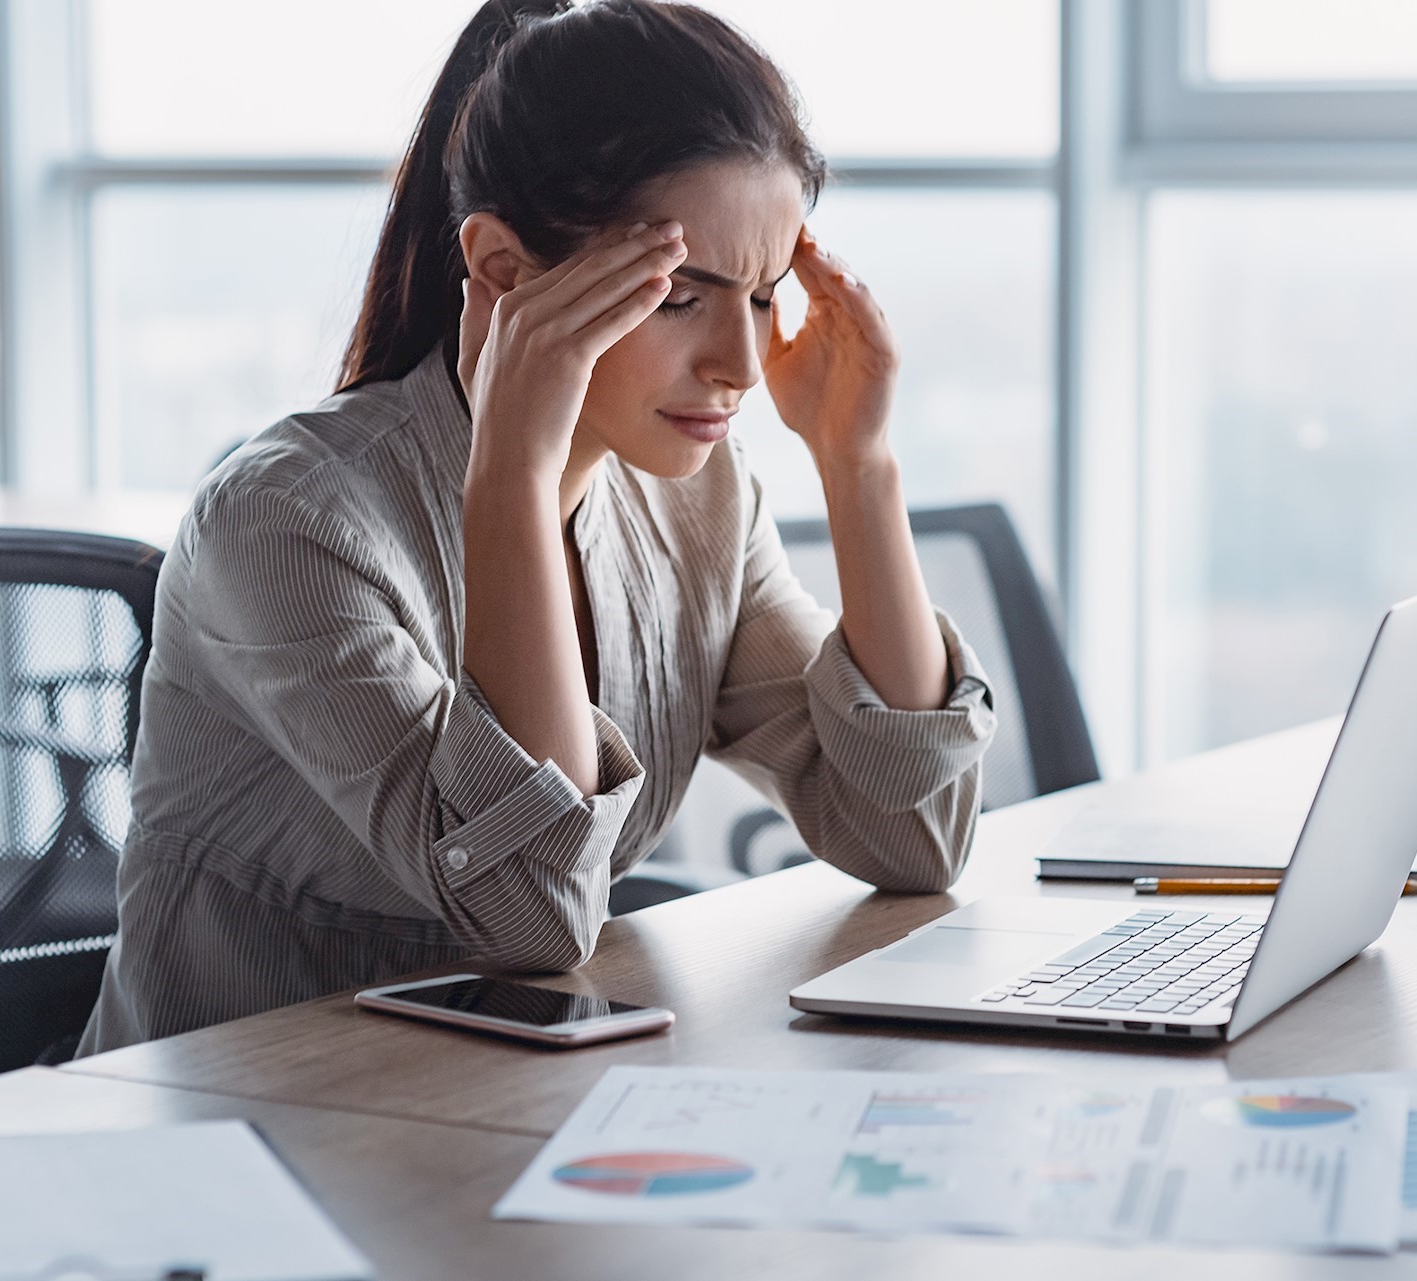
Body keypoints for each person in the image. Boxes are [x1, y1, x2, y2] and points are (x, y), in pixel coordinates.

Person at [77, 0, 996, 1056]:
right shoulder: (289, 523)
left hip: (512, 1100)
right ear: (507, 275)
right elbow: (532, 917)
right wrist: (512, 471)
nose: (742, 367)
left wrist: (858, 464)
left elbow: (912, 834)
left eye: (761, 296)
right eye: (679, 298)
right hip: (244, 1123)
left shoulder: (701, 502)